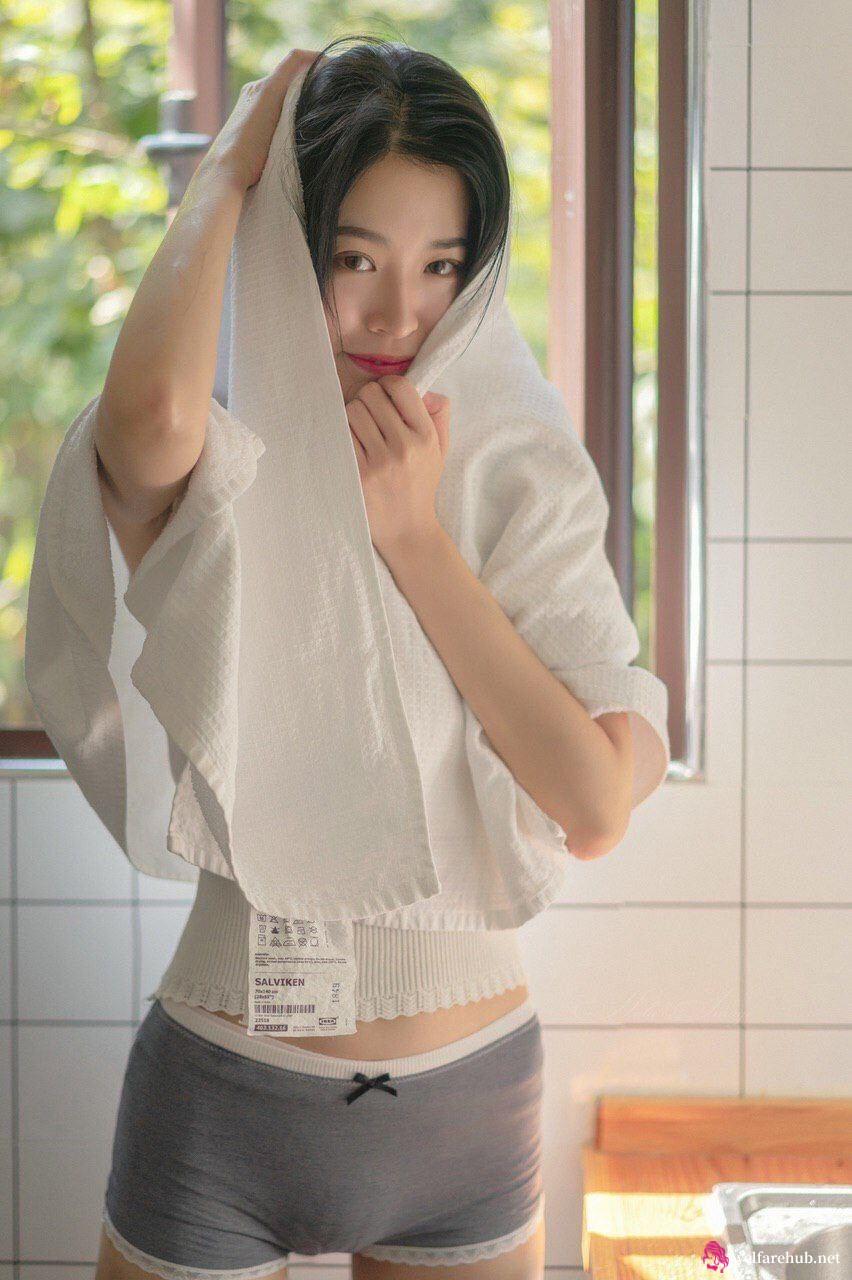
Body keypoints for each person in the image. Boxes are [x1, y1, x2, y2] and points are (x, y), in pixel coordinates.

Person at [92, 37, 651, 1280]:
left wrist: (412, 534)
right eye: (354, 259)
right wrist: (229, 169)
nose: (398, 314)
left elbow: (593, 802)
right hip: (225, 1094)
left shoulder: (518, 469)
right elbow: (145, 425)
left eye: (440, 264)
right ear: (287, 248)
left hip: (470, 1103)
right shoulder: (214, 444)